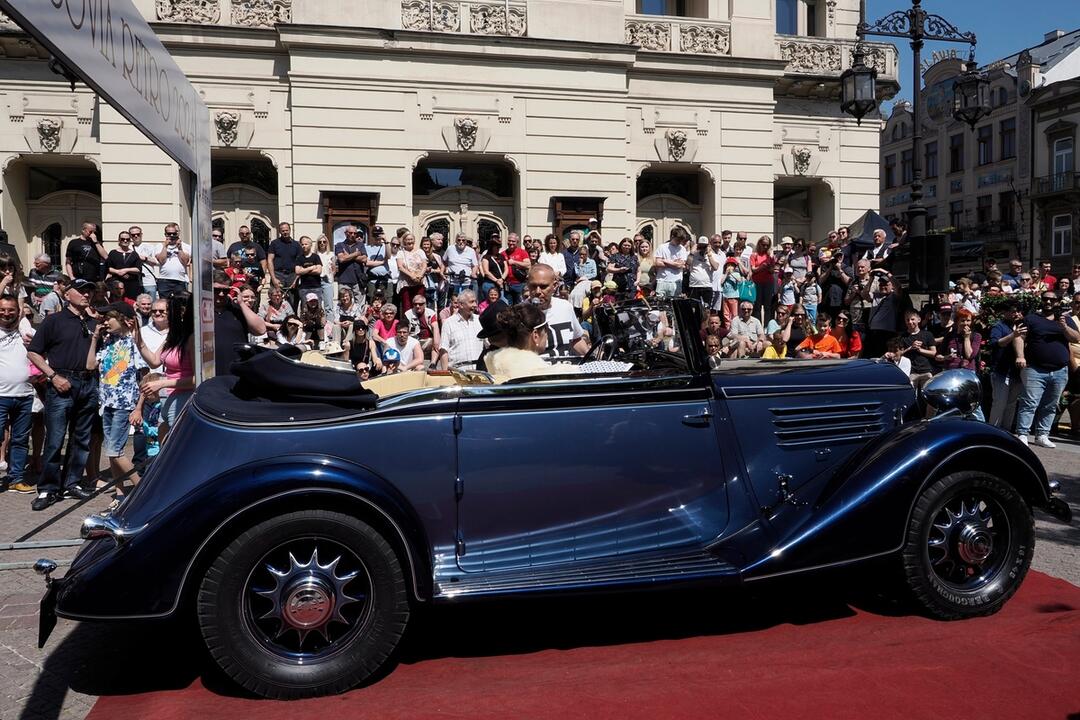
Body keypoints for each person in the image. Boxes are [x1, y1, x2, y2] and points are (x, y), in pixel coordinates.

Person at [26, 278, 100, 510]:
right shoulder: (54, 321)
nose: (86, 294)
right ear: (67, 295)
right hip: (61, 381)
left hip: (88, 384)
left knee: (81, 438)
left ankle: (72, 482)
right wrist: (53, 376)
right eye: (81, 290)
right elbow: (34, 353)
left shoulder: (93, 322)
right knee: (55, 439)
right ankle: (48, 488)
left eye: (89, 291)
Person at [86, 303, 145, 511]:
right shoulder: (108, 342)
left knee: (116, 450)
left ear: (121, 320)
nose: (104, 322)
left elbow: (143, 378)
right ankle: (120, 493)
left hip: (124, 403)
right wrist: (95, 338)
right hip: (107, 402)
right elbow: (90, 365)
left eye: (108, 318)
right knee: (111, 452)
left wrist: (138, 407)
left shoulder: (132, 343)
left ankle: (141, 491)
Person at [1014, 292, 1079, 447]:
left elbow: (1076, 338)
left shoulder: (1066, 320)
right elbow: (1019, 338)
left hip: (1059, 371)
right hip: (1035, 369)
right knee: (1029, 403)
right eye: (1045, 299)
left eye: (1052, 299)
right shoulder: (1031, 318)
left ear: (1058, 301)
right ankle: (1022, 434)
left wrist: (1063, 326)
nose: (1048, 301)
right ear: (1041, 301)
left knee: (1050, 405)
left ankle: (1042, 435)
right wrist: (1020, 356)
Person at [133, 292, 196, 429]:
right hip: (168, 397)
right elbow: (154, 361)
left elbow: (199, 378)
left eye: (169, 312)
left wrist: (162, 383)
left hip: (184, 398)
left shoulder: (192, 339)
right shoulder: (174, 336)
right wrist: (137, 337)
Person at [483, 303, 575, 380]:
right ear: (535, 335)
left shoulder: (493, 363)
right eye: (546, 330)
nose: (547, 335)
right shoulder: (544, 373)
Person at [0, 296, 35, 495]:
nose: (7, 313)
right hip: (1, 395)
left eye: (11, 310)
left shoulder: (26, 331)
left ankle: (16, 479)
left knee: (20, 440)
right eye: (3, 309)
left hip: (23, 394)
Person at [526, 264, 588, 358]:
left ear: (555, 286)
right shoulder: (519, 313)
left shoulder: (565, 307)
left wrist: (591, 357)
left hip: (564, 369)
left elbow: (576, 339)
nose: (538, 291)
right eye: (533, 286)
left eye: (543, 286)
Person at [988, 299, 1025, 430]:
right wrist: (1013, 335)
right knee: (1000, 403)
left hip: (1016, 372)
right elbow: (995, 343)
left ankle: (1006, 432)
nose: (1016, 314)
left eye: (1018, 311)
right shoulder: (999, 326)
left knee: (1011, 404)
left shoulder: (1021, 326)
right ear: (1005, 312)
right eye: (1013, 311)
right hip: (1001, 371)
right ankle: (993, 432)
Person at [436, 289, 483, 369]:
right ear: (461, 304)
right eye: (471, 302)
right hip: (458, 371)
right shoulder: (449, 323)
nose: (475, 305)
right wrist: (444, 373)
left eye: (475, 301)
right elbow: (444, 350)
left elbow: (488, 345)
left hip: (479, 370)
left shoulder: (480, 320)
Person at [899, 309, 937, 390]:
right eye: (907, 320)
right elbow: (898, 355)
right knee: (911, 396)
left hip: (926, 371)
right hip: (911, 372)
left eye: (912, 319)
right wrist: (910, 348)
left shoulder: (927, 334)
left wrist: (920, 350)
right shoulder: (902, 337)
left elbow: (934, 353)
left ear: (919, 320)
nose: (910, 322)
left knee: (926, 395)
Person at [154, 223, 192, 299]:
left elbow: (185, 261)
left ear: (177, 233)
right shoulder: (159, 246)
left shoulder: (186, 246)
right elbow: (161, 260)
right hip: (164, 279)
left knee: (180, 303)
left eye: (173, 233)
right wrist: (165, 246)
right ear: (165, 234)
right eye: (169, 234)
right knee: (164, 302)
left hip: (180, 280)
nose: (171, 236)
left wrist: (180, 248)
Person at [267, 221, 300, 305]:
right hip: (278, 274)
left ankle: (293, 317)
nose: (285, 232)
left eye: (286, 230)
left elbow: (300, 263)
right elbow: (270, 260)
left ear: (290, 230)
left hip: (292, 275)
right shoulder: (274, 244)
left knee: (293, 301)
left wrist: (296, 279)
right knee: (276, 299)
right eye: (283, 231)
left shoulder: (296, 245)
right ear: (280, 231)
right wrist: (273, 278)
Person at [395, 232, 427, 314]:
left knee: (419, 304)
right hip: (406, 283)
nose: (410, 241)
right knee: (407, 306)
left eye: (411, 239)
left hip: (419, 282)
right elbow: (400, 267)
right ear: (404, 241)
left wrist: (420, 275)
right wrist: (411, 276)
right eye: (408, 239)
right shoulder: (400, 253)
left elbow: (424, 264)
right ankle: (408, 325)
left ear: (414, 240)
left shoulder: (420, 252)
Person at [654, 227, 689, 298]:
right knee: (661, 304)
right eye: (678, 240)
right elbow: (657, 263)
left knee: (674, 304)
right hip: (662, 281)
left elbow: (680, 265)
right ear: (672, 236)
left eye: (681, 240)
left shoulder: (682, 249)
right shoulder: (662, 247)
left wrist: (665, 260)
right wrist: (674, 263)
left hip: (676, 281)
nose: (679, 242)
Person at [404, 293, 440, 361]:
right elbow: (404, 329)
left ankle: (433, 363)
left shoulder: (431, 313)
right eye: (415, 304)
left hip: (428, 340)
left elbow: (435, 327)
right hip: (414, 341)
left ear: (425, 304)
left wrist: (436, 341)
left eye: (420, 304)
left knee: (437, 341)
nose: (417, 306)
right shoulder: (408, 314)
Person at [333, 225, 366, 300]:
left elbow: (364, 259)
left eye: (355, 233)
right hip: (344, 280)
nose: (353, 235)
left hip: (358, 280)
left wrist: (348, 256)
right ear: (345, 233)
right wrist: (356, 254)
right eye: (350, 233)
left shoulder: (360, 245)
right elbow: (341, 259)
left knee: (359, 305)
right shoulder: (339, 245)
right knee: (344, 303)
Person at [130, 226, 160, 301]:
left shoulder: (149, 246)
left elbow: (156, 262)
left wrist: (144, 258)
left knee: (151, 304)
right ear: (130, 236)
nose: (136, 236)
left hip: (149, 281)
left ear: (141, 234)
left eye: (138, 234)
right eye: (133, 235)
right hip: (134, 281)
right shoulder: (128, 248)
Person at [363, 226, 391, 301]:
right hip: (373, 280)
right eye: (375, 235)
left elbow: (388, 256)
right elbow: (367, 263)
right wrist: (382, 262)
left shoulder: (385, 246)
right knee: (373, 302)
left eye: (379, 234)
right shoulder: (367, 248)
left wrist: (386, 240)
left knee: (387, 303)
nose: (377, 237)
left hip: (385, 280)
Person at [502, 233, 531, 305]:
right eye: (509, 241)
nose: (511, 243)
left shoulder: (522, 252)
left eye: (513, 241)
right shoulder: (503, 253)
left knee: (520, 306)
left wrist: (514, 262)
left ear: (517, 242)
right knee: (508, 306)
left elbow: (528, 265)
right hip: (507, 285)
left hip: (519, 284)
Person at [315, 235, 337, 315]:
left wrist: (331, 276)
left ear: (327, 243)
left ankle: (329, 324)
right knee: (318, 305)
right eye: (320, 242)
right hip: (317, 280)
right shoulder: (315, 254)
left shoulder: (331, 254)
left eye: (324, 242)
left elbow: (334, 269)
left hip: (327, 280)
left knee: (329, 306)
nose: (322, 243)